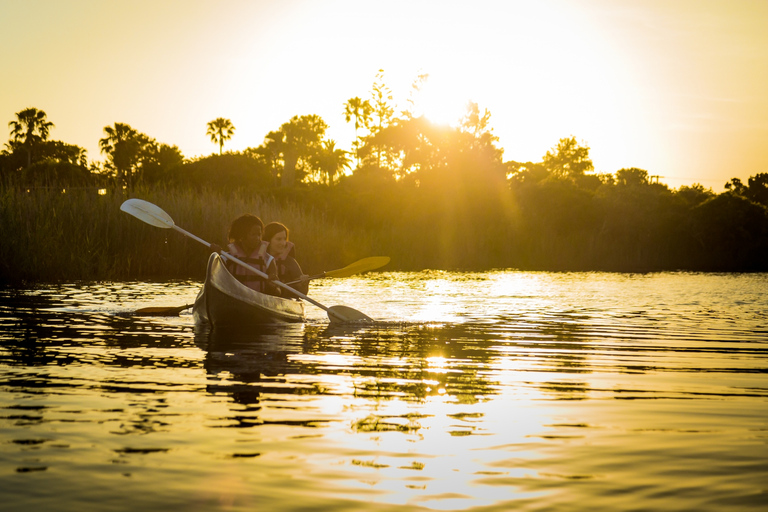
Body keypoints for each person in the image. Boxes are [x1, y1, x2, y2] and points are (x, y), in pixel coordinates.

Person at [213, 214, 280, 296]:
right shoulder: (226, 259)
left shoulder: (269, 260)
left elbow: (278, 292)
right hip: (233, 297)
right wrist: (214, 256)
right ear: (242, 236)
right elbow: (215, 282)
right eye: (253, 234)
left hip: (258, 300)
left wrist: (273, 286)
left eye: (259, 235)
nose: (257, 238)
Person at [263, 221, 310, 296]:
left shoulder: (290, 262)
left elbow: (303, 293)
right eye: (278, 239)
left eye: (284, 239)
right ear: (268, 240)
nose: (283, 243)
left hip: (287, 300)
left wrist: (304, 284)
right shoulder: (259, 260)